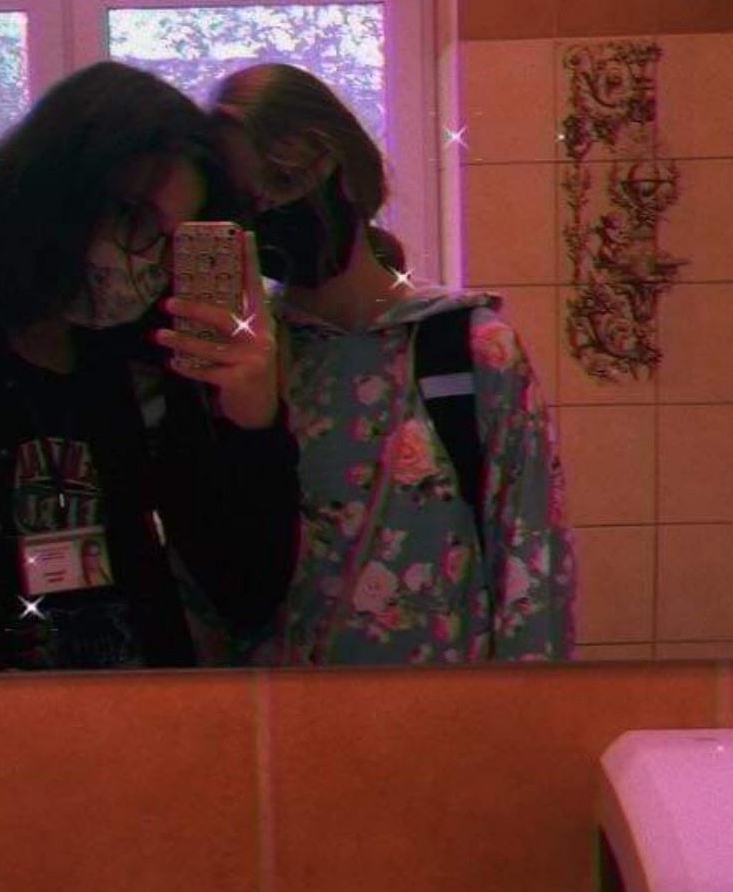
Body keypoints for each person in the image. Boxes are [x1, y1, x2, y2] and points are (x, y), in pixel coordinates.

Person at [0, 61, 299, 673]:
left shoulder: (148, 380)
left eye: (171, 240)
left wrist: (254, 423)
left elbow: (248, 592)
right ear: (53, 187)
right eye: (134, 217)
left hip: (137, 722)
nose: (145, 259)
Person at [211, 61, 576, 665]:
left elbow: (532, 562)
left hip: (447, 709)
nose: (270, 210)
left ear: (345, 170)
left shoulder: (468, 347)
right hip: (280, 712)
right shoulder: (244, 364)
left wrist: (525, 710)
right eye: (245, 200)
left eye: (284, 179)